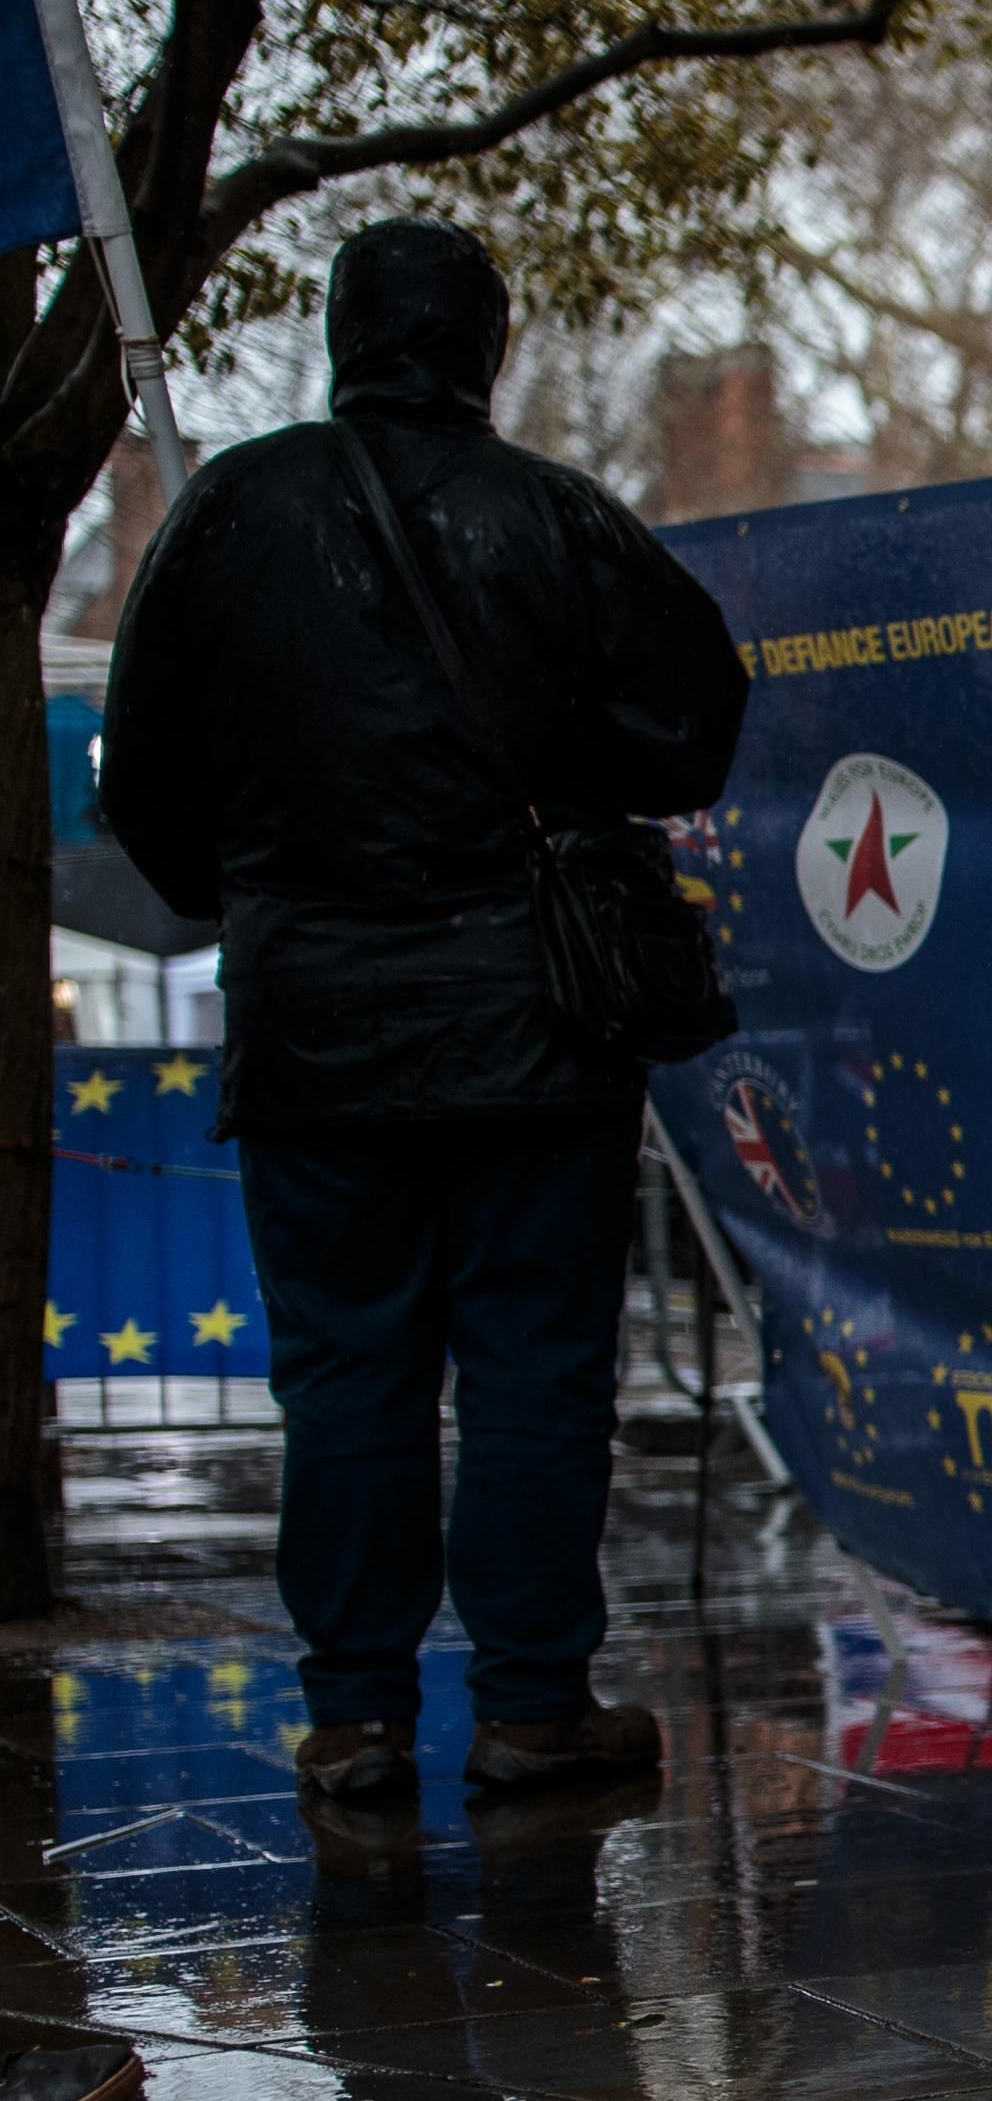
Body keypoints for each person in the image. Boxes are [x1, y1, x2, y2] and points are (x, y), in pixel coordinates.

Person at [100, 219, 749, 1798]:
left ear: (340, 337)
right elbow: (694, 728)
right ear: (486, 346)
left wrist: (261, 898)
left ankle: (359, 1718)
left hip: (318, 1031)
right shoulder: (558, 521)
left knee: (347, 1377)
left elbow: (143, 774)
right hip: (536, 1030)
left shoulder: (231, 514)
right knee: (536, 1370)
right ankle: (533, 1704)